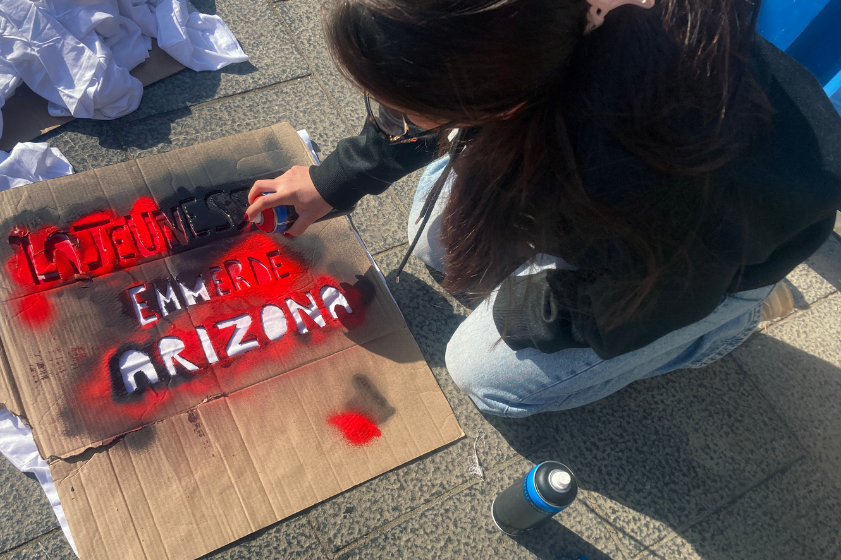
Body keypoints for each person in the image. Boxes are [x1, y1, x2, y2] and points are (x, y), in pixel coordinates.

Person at [243, 0, 841, 417]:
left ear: (502, 102)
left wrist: (527, 306)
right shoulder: (519, 33)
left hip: (703, 262)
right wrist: (335, 179)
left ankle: (727, 326)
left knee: (480, 372)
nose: (388, 120)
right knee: (438, 245)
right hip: (626, 195)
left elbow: (642, 302)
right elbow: (438, 57)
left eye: (396, 114)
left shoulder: (633, 181)